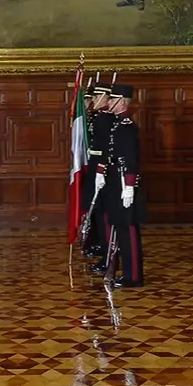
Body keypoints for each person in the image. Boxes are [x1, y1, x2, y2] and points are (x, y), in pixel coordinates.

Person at [98, 83, 145, 288]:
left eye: (112, 99)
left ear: (121, 102)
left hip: (122, 181)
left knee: (128, 228)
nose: (108, 102)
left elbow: (130, 158)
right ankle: (125, 272)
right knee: (119, 225)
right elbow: (109, 154)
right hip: (113, 181)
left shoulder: (126, 126)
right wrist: (101, 172)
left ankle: (133, 276)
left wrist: (129, 185)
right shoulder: (116, 124)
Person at [81, 81, 113, 258]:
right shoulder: (98, 117)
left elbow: (107, 148)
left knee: (102, 211)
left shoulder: (105, 119)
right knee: (97, 211)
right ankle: (100, 244)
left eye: (95, 97)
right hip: (95, 166)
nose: (92, 100)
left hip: (102, 169)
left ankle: (105, 247)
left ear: (104, 98)